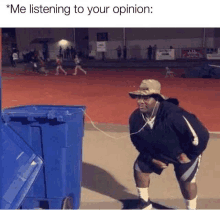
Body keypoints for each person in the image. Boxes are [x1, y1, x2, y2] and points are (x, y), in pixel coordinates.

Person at [128, 79, 209, 210]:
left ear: (157, 99)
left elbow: (201, 135)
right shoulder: (136, 118)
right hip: (158, 151)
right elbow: (137, 141)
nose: (140, 101)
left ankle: (191, 208)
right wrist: (151, 159)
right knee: (139, 168)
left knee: (186, 180)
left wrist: (190, 154)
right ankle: (144, 203)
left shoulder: (174, 114)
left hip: (182, 151)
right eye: (139, 97)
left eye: (146, 98)